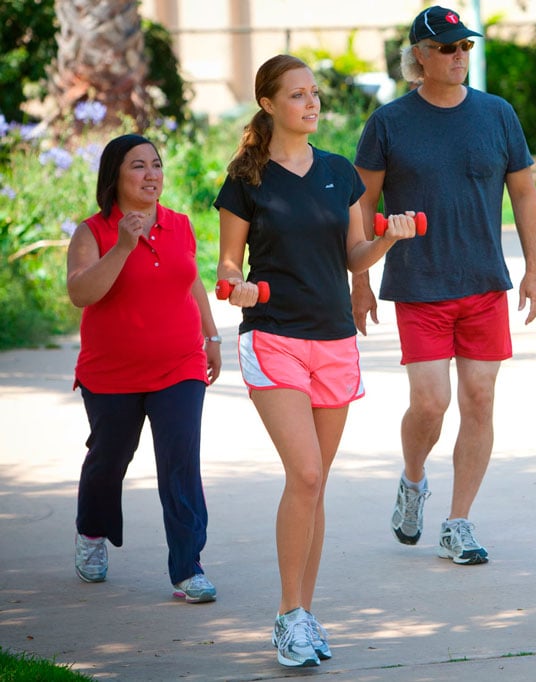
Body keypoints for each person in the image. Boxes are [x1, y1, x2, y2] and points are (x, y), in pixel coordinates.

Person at [215, 54, 415, 668]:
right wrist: (235, 287)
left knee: (315, 484)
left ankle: (304, 611)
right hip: (273, 337)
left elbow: (355, 256)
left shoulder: (338, 174)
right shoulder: (246, 179)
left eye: (315, 93)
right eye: (297, 94)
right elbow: (227, 264)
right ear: (269, 104)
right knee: (304, 474)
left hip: (333, 340)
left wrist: (388, 238)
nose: (311, 103)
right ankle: (287, 615)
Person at [352, 6, 536, 567]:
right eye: (446, 48)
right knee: (431, 403)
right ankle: (413, 480)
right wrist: (360, 279)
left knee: (480, 399)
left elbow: (525, 194)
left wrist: (533, 269)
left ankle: (458, 521)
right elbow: (361, 203)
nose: (458, 56)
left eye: (464, 47)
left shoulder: (497, 114)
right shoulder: (388, 122)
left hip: (484, 282)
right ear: (419, 57)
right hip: (419, 284)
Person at [66, 133, 221, 604]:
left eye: (156, 164)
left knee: (180, 464)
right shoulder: (92, 232)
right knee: (109, 459)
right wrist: (123, 247)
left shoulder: (179, 224)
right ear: (114, 176)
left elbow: (191, 280)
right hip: (111, 373)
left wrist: (211, 336)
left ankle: (187, 568)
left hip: (180, 365)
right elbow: (81, 294)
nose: (151, 174)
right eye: (138, 166)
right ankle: (92, 531)